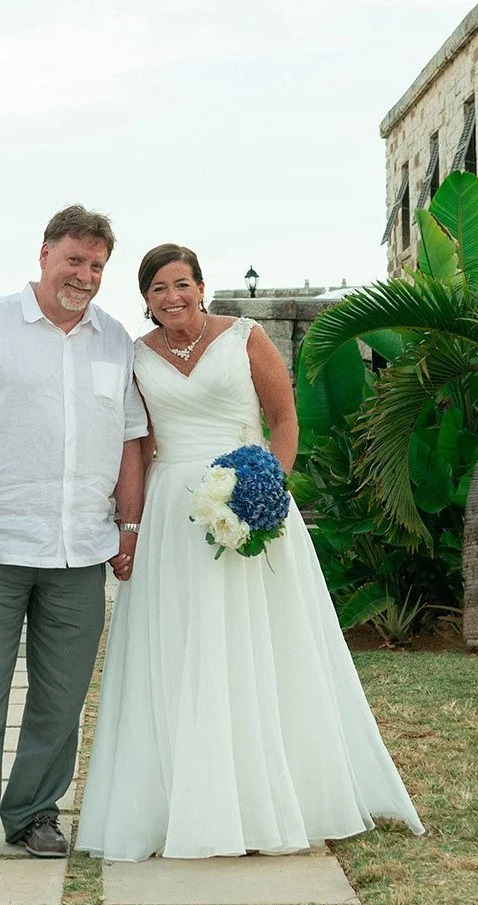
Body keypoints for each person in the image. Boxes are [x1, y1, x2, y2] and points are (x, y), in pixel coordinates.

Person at [75, 243, 425, 861]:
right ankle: (178, 800)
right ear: (146, 301)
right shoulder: (136, 357)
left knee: (261, 645)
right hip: (172, 519)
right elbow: (142, 443)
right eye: (157, 288)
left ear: (202, 286)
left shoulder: (246, 337)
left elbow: (283, 421)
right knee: (179, 644)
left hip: (251, 505)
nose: (172, 297)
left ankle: (270, 796)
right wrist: (127, 525)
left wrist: (268, 488)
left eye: (181, 283)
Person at [0, 205, 149, 865]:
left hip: (81, 549)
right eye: (74, 259)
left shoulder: (114, 339)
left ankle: (34, 815)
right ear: (45, 253)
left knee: (61, 697)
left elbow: (131, 441)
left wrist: (127, 525)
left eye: (97, 265)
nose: (84, 274)